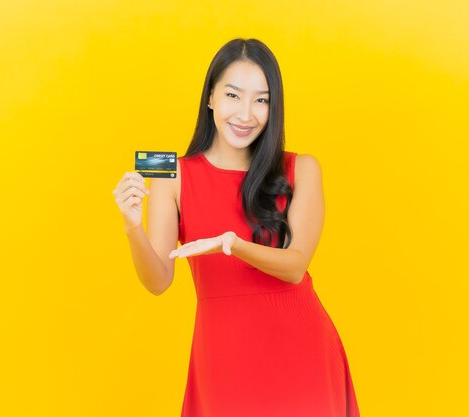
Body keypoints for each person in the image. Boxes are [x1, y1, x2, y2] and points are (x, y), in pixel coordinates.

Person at [113, 38, 361, 417]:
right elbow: (158, 280)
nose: (246, 114)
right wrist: (133, 228)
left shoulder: (302, 169)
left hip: (301, 351)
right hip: (223, 355)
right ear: (210, 97)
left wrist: (233, 244)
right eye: (233, 95)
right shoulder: (174, 176)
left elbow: (295, 267)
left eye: (261, 100)